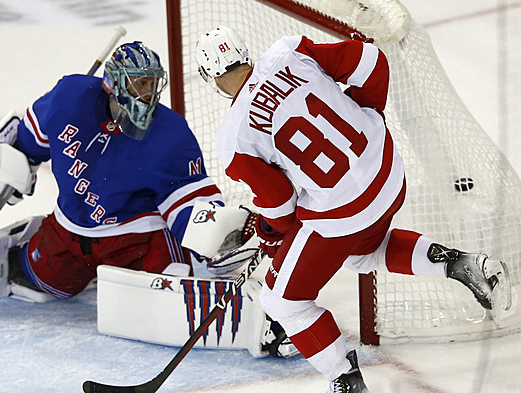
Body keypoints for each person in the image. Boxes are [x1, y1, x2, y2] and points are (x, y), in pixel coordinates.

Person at [194, 26, 512, 392]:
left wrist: (269, 233)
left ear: (211, 77)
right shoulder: (290, 51)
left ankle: (344, 379)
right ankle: (459, 262)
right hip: (388, 169)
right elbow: (372, 62)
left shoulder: (234, 137)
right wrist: (367, 115)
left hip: (342, 211)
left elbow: (281, 206)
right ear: (245, 53)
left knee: (281, 301)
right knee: (361, 254)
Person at [0, 41, 224, 299]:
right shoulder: (68, 99)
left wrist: (217, 242)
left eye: (152, 83)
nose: (148, 93)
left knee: (165, 298)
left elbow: (191, 206)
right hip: (71, 230)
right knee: (32, 279)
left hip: (135, 237)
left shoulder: (171, 134)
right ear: (112, 84)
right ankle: (72, 264)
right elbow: (30, 138)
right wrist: (15, 164)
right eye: (139, 83)